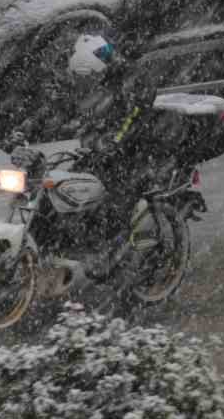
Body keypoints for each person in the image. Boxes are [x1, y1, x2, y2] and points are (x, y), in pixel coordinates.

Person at [64, 34, 161, 280]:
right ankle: (74, 242)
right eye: (81, 78)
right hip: (100, 149)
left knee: (116, 195)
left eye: (88, 77)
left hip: (136, 149)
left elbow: (135, 114)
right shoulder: (93, 81)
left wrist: (115, 141)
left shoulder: (132, 79)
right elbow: (65, 109)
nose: (85, 83)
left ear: (100, 69)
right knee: (69, 188)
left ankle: (116, 252)